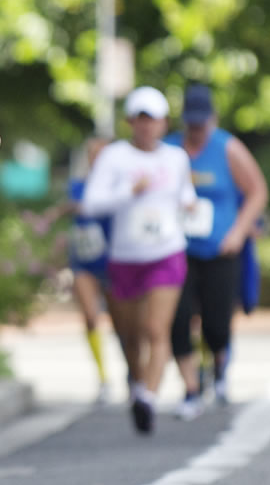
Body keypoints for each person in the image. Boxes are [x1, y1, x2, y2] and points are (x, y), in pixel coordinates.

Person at [81, 86, 194, 434]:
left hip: (166, 252)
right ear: (131, 122)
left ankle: (148, 396)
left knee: (155, 329)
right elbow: (90, 204)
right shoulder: (114, 157)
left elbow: (185, 195)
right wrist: (129, 192)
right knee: (129, 335)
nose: (147, 127)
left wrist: (190, 207)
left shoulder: (176, 158)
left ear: (164, 123)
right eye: (141, 120)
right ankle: (137, 381)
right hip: (125, 256)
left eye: (154, 120)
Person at [168, 81, 268, 417]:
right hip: (177, 249)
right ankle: (191, 387)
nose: (196, 129)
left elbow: (257, 192)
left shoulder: (228, 148)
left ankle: (220, 368)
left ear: (212, 118)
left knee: (216, 321)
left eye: (202, 122)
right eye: (191, 122)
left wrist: (238, 233)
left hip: (220, 249)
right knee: (178, 318)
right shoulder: (170, 149)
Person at [43, 136, 121, 402]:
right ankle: (102, 378)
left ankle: (134, 373)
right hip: (84, 260)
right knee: (90, 316)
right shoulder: (77, 186)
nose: (96, 160)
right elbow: (77, 209)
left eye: (102, 155)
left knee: (123, 321)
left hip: (116, 258)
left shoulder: (121, 186)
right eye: (92, 155)